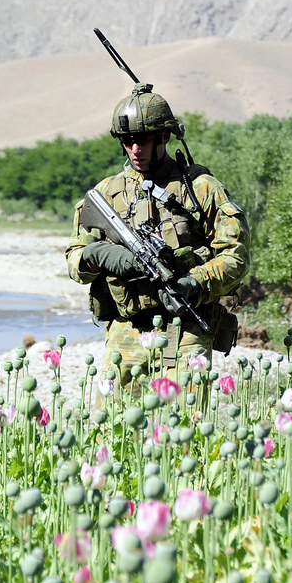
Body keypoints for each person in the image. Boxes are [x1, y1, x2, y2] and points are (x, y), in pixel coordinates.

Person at [66, 83, 249, 385]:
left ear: (164, 136)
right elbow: (75, 261)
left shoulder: (201, 188)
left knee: (186, 425)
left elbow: (236, 256)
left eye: (143, 140)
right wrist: (99, 255)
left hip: (187, 327)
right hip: (127, 332)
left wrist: (195, 282)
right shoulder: (106, 193)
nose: (135, 149)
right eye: (127, 141)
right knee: (115, 425)